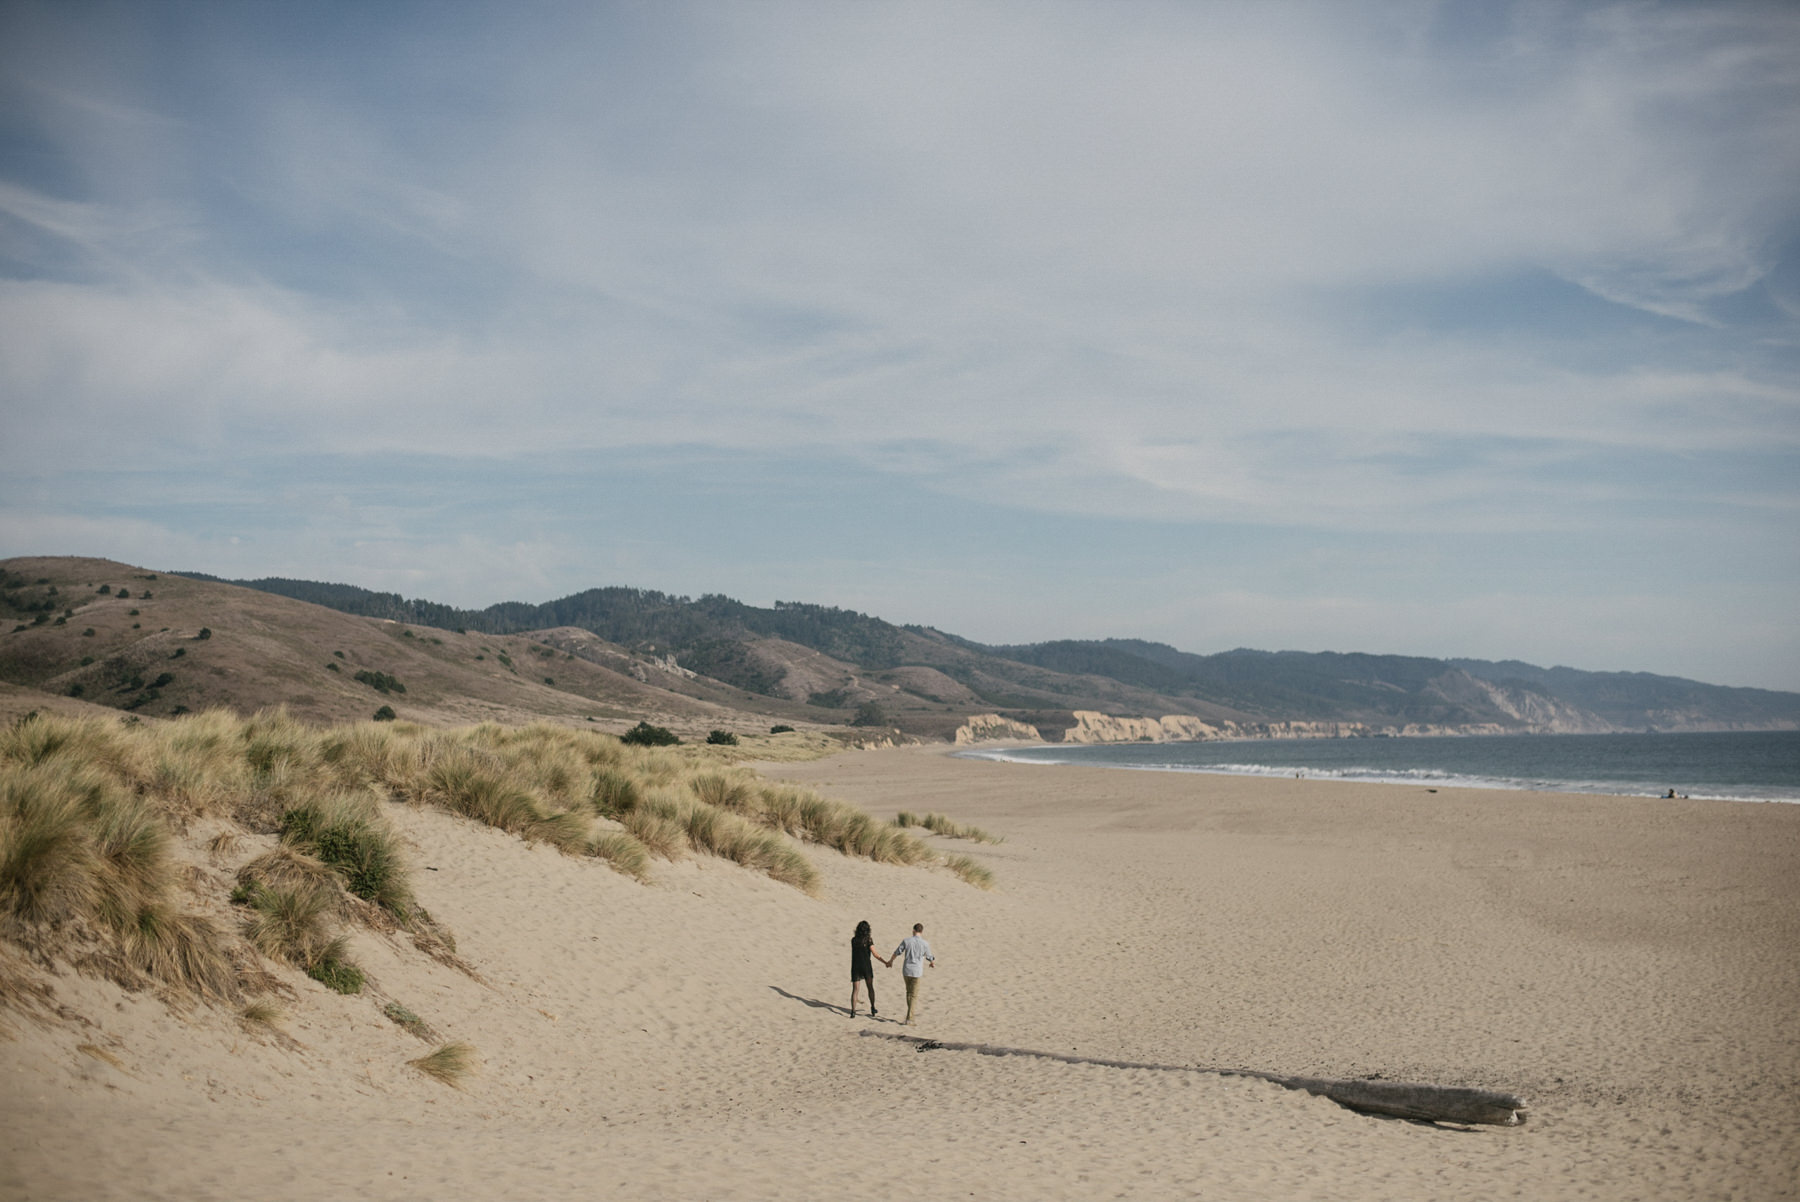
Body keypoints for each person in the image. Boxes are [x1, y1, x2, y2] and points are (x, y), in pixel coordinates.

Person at [893, 922, 935, 1025]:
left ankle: (909, 1014)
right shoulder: (925, 943)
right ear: (921, 931)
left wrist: (890, 961)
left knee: (908, 993)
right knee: (914, 995)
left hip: (906, 970)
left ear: (913, 931)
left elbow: (897, 952)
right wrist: (932, 962)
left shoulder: (906, 941)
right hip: (916, 971)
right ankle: (910, 1018)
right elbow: (929, 956)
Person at [849, 919, 892, 1018]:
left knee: (855, 990)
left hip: (855, 966)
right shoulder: (868, 940)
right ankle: (872, 1007)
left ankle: (853, 1011)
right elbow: (875, 954)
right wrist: (885, 962)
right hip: (866, 966)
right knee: (870, 988)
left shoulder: (854, 940)